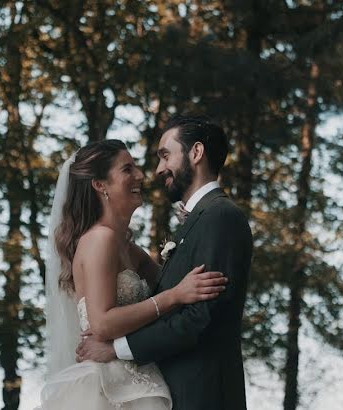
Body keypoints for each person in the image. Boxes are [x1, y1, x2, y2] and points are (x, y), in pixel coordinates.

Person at [77, 115, 254, 410]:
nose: (157, 170)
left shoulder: (220, 217)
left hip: (204, 395)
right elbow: (168, 304)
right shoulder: (196, 223)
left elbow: (200, 317)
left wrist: (115, 349)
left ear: (196, 153)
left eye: (165, 155)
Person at [39, 139, 228, 409]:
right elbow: (102, 323)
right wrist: (174, 296)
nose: (140, 175)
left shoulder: (129, 249)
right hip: (109, 385)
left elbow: (175, 284)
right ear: (100, 185)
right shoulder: (99, 240)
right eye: (127, 169)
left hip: (140, 375)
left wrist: (195, 234)